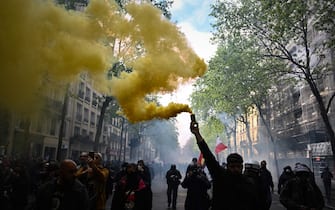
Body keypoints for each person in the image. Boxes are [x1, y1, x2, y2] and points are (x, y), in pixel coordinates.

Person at [190, 115, 259, 210]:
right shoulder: (221, 177)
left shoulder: (248, 183)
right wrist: (197, 134)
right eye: (232, 166)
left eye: (238, 166)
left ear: (242, 167)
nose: (235, 169)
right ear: (227, 166)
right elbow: (209, 157)